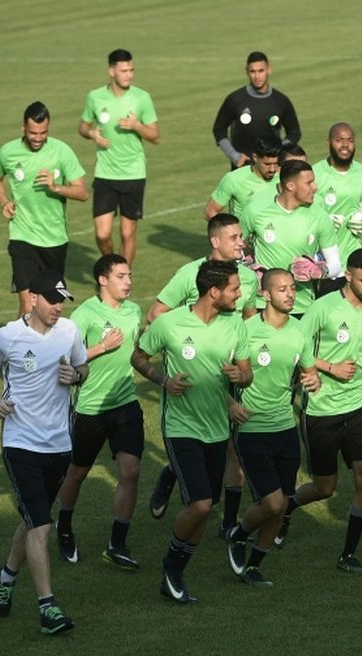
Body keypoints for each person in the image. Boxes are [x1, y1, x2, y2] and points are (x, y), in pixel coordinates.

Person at [0, 270, 88, 635]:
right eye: (52, 300)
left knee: (31, 518)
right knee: (41, 525)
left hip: (59, 446)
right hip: (20, 444)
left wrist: (78, 375)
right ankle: (47, 608)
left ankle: (5, 577)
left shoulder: (68, 331)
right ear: (32, 298)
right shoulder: (8, 336)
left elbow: (82, 365)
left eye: (62, 301)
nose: (58, 307)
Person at [131, 260, 252, 603]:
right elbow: (138, 357)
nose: (239, 294)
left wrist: (239, 377)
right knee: (200, 505)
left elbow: (247, 373)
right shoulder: (169, 324)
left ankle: (175, 573)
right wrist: (163, 380)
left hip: (217, 428)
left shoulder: (235, 326)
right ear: (214, 292)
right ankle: (170, 565)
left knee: (207, 503)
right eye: (234, 288)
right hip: (181, 426)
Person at [278, 248, 362, 573]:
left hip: (357, 406)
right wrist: (329, 367)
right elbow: (295, 347)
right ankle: (286, 508)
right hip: (321, 410)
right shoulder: (322, 309)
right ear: (348, 275)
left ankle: (348, 555)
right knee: (324, 487)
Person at [145, 214, 259, 534]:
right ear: (215, 241)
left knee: (234, 448)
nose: (242, 242)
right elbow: (156, 314)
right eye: (234, 237)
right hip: (194, 377)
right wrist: (180, 353)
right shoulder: (189, 274)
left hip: (230, 370)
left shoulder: (247, 278)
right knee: (225, 448)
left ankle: (228, 523)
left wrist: (244, 362)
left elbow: (250, 319)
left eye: (242, 236)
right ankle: (174, 474)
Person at [225, 269, 320, 587]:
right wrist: (229, 403)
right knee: (273, 503)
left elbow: (309, 371)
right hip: (251, 428)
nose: (290, 294)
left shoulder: (299, 331)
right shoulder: (244, 330)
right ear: (265, 294)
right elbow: (214, 373)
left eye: (293, 288)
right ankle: (238, 534)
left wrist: (313, 379)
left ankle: (253, 565)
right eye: (282, 289)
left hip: (285, 429)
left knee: (281, 506)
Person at [54, 254, 144, 569]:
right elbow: (62, 359)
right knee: (77, 472)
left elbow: (136, 353)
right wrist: (101, 348)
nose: (128, 282)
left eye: (129, 275)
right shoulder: (84, 315)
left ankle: (117, 544)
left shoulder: (134, 311)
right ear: (102, 280)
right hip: (91, 408)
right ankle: (63, 527)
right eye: (121, 276)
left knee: (131, 471)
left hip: (126, 404)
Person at [0, 101, 88, 317]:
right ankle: (21, 351)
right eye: (33, 133)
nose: (38, 138)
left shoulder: (62, 152)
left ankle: (46, 350)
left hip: (54, 238)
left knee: (51, 306)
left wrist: (55, 187)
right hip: (22, 235)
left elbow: (82, 193)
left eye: (43, 133)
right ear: (23, 128)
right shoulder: (7, 153)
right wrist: (4, 201)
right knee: (28, 305)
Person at [78, 48, 160, 262]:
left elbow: (155, 136)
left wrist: (136, 126)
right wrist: (91, 133)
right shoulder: (95, 97)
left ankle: (124, 275)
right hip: (105, 173)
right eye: (124, 70)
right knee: (102, 234)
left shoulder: (141, 98)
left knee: (127, 233)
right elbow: (83, 126)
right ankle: (113, 265)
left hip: (133, 173)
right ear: (111, 71)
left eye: (131, 70)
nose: (129, 75)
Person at [239, 159, 341, 317]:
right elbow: (233, 248)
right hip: (263, 304)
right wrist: (247, 267)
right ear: (291, 186)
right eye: (309, 183)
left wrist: (318, 271)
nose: (315, 187)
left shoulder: (319, 216)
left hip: (302, 306)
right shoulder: (255, 211)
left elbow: (335, 263)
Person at [312, 122, 362, 294]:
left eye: (350, 140)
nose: (345, 145)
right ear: (328, 143)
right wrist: (324, 221)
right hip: (322, 262)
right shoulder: (315, 173)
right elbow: (304, 210)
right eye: (339, 140)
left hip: (352, 258)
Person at [212, 51, 300, 169]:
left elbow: (294, 132)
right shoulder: (235, 99)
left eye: (261, 71)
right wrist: (234, 155)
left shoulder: (281, 101)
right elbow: (219, 129)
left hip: (271, 169)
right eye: (252, 71)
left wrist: (280, 152)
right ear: (246, 72)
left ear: (269, 69)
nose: (257, 76)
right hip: (242, 168)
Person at [204, 135, 281, 220]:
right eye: (267, 164)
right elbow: (210, 211)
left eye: (276, 163)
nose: (272, 169)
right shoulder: (234, 179)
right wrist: (229, 232)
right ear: (255, 158)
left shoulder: (285, 177)